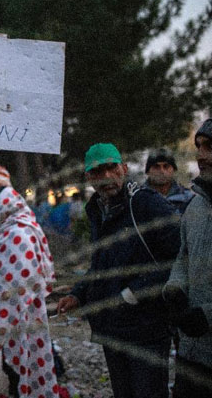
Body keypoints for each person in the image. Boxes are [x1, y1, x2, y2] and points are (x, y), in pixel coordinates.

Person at [57, 143, 180, 398]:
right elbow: (100, 264)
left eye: (111, 168)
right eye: (97, 172)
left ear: (123, 168)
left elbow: (179, 259)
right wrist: (78, 294)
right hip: (112, 328)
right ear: (89, 177)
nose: (106, 177)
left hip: (147, 328)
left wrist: (134, 293)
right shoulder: (96, 209)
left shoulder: (146, 204)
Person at [0, 185, 58, 398]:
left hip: (21, 318)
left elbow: (21, 281)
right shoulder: (13, 228)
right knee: (16, 374)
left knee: (21, 372)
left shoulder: (19, 232)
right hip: (14, 317)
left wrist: (5, 320)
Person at [162, 119, 212, 397]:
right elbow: (183, 256)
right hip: (191, 354)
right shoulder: (195, 206)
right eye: (199, 146)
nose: (201, 155)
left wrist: (207, 315)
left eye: (210, 147)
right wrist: (175, 289)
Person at [144, 148, 194, 214]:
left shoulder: (188, 198)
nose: (162, 171)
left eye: (166, 166)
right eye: (156, 167)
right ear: (148, 172)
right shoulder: (138, 198)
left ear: (174, 170)